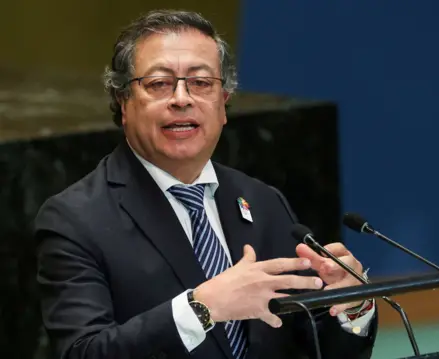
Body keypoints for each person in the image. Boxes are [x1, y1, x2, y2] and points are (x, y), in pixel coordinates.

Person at [34, 9, 378, 359]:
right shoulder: (75, 219)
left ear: (223, 104)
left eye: (200, 83)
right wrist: (202, 307)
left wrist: (350, 307)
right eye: (159, 84)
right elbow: (82, 353)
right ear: (124, 102)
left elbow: (313, 347)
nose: (182, 99)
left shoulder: (262, 201)